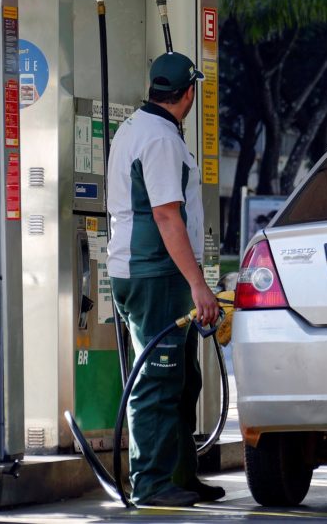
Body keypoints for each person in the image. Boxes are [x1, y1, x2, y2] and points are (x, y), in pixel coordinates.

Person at [106, 51, 222, 507]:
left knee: (183, 378)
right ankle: (152, 483)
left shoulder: (139, 128)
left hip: (152, 271)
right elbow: (166, 216)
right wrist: (199, 284)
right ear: (188, 93)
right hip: (154, 272)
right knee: (158, 377)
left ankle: (180, 475)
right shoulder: (159, 139)